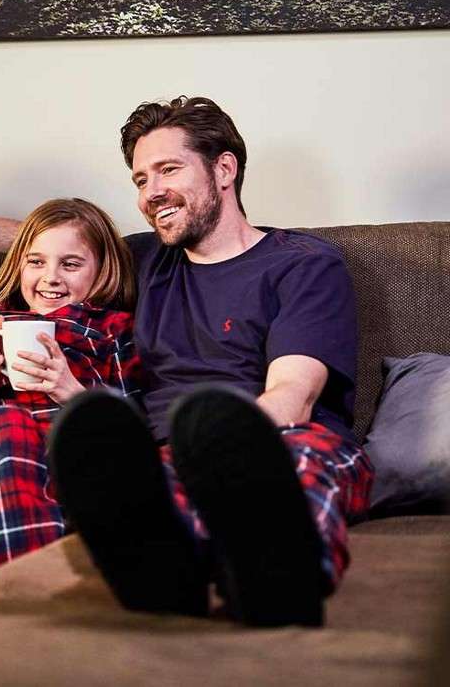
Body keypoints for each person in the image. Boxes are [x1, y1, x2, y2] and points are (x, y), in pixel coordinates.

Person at [44, 96, 374, 627]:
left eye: (167, 170)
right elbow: (36, 242)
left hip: (285, 437)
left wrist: (218, 445)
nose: (151, 193)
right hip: (167, 452)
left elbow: (294, 395)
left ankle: (280, 586)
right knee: (152, 488)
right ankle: (169, 576)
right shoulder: (145, 260)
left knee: (290, 469)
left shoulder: (303, 266)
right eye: (139, 180)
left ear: (224, 168)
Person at [0, 198, 139, 596]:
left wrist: (70, 390)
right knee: (3, 421)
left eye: (70, 265)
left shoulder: (111, 329)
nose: (50, 277)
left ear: (101, 270)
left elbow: (130, 431)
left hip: (70, 456)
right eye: (36, 262)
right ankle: (29, 611)